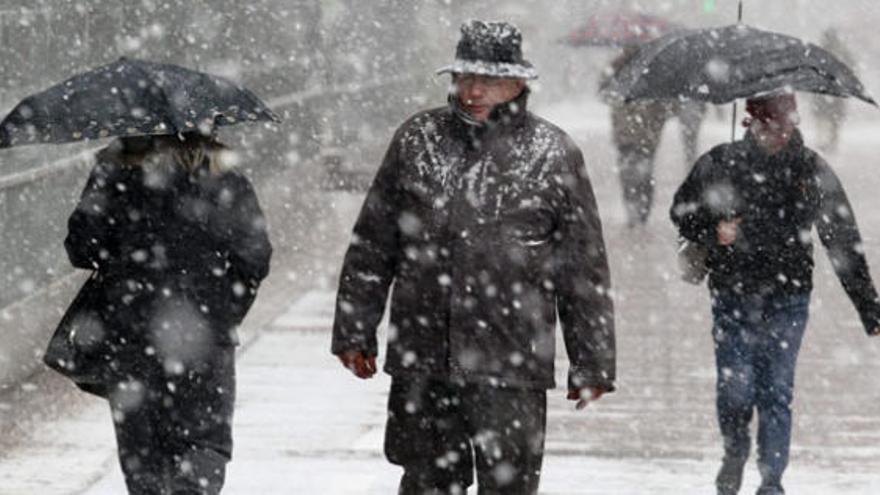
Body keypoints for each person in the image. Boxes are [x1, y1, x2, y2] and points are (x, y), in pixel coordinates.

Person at [331, 20, 615, 494]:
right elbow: (373, 244)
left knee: (509, 486)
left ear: (518, 83)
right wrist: (355, 329)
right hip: (424, 357)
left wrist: (593, 363)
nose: (473, 91)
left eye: (489, 80)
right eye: (465, 77)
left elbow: (582, 266)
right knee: (425, 482)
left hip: (512, 362)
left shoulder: (554, 152)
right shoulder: (416, 139)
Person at [670, 92, 880, 495]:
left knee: (776, 391)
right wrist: (715, 228)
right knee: (735, 389)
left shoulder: (810, 169)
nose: (778, 135)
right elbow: (681, 209)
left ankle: (772, 482)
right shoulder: (721, 162)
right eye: (769, 125)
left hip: (789, 298)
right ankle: (735, 450)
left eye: (785, 126)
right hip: (732, 295)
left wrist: (868, 307)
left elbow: (842, 240)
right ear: (751, 122)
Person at [58, 133, 272, 494]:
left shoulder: (115, 173)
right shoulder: (223, 177)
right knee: (204, 441)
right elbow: (254, 257)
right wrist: (223, 309)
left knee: (143, 451)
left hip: (130, 330)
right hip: (204, 332)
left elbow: (81, 248)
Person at [600, 45, 671, 226]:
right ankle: (638, 211)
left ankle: (636, 210)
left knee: (632, 174)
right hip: (640, 134)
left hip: (633, 134)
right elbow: (667, 108)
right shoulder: (651, 71)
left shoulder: (622, 70)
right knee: (640, 174)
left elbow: (604, 94)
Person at [811, 27, 855, 153]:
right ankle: (830, 140)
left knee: (824, 117)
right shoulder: (841, 53)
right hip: (835, 91)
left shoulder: (818, 52)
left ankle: (824, 140)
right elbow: (851, 69)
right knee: (832, 119)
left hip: (823, 91)